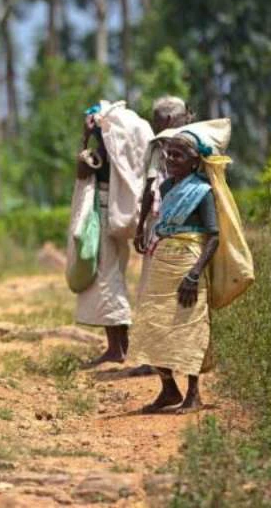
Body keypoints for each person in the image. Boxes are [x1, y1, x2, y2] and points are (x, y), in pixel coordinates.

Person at [127, 130, 221, 414]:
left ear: (194, 162)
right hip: (163, 258)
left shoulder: (202, 191)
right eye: (168, 154)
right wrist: (143, 228)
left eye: (178, 155)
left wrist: (194, 274)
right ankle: (168, 388)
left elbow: (214, 236)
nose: (170, 159)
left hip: (188, 262)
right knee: (154, 322)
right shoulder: (167, 188)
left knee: (187, 325)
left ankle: (194, 393)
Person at [70, 101, 153, 367]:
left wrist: (85, 138)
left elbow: (83, 168)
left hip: (105, 215)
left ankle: (117, 349)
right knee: (112, 274)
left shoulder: (102, 156)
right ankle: (121, 347)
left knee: (106, 277)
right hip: (119, 215)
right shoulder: (121, 158)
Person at [135, 96, 194, 255]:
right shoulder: (194, 141)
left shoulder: (161, 144)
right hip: (191, 224)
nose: (154, 125)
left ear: (167, 120)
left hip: (163, 221)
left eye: (155, 120)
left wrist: (140, 227)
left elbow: (151, 187)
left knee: (155, 274)